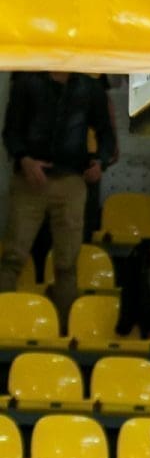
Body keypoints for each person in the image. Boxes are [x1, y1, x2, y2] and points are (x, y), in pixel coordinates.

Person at [0, 71, 116, 328]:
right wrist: (24, 160)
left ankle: (64, 330)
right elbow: (11, 131)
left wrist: (101, 161)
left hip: (71, 179)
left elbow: (105, 132)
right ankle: (3, 324)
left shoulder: (89, 85)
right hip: (30, 179)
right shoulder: (27, 80)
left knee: (67, 263)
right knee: (13, 258)